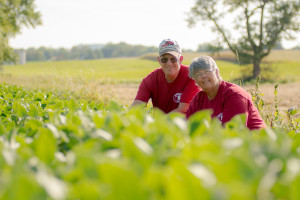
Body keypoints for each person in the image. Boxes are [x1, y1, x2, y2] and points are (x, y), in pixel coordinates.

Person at [186, 56, 266, 130]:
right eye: (198, 74)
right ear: (195, 80)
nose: (203, 76)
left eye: (207, 71)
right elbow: (188, 128)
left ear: (216, 72)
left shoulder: (234, 95)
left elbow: (232, 132)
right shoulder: (197, 100)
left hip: (255, 141)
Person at [131, 38, 200, 114]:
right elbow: (136, 108)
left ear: (180, 59)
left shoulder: (192, 76)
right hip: (162, 123)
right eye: (164, 59)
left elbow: (182, 110)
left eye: (173, 59)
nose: (169, 63)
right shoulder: (150, 80)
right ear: (159, 60)